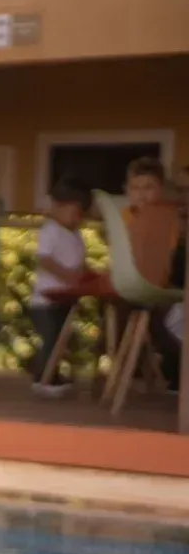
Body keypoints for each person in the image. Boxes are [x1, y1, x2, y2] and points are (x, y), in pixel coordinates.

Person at [28, 178, 93, 398]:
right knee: (51, 338)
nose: (77, 218)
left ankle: (53, 374)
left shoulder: (76, 234)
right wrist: (67, 276)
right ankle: (42, 378)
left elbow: (80, 261)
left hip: (65, 298)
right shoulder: (51, 230)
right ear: (58, 207)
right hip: (46, 299)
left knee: (61, 339)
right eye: (73, 212)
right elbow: (45, 260)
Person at [123, 157, 183, 391]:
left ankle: (174, 371)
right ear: (127, 190)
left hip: (156, 284)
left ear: (160, 190)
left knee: (165, 317)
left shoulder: (166, 217)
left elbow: (166, 257)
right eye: (136, 188)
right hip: (136, 284)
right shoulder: (126, 216)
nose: (142, 194)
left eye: (148, 187)